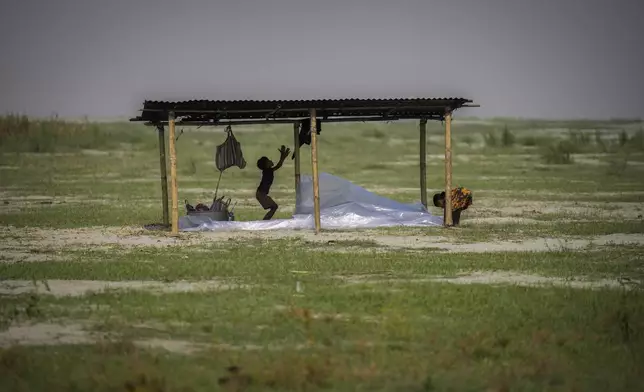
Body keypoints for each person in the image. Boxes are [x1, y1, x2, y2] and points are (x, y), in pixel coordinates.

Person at [256, 145, 291, 220]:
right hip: (261, 194)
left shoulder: (268, 171)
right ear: (266, 165)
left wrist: (283, 156)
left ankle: (265, 221)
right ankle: (264, 221)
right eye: (268, 161)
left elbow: (278, 165)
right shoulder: (268, 171)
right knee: (274, 207)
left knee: (274, 207)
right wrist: (282, 156)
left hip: (261, 193)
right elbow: (279, 165)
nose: (271, 161)